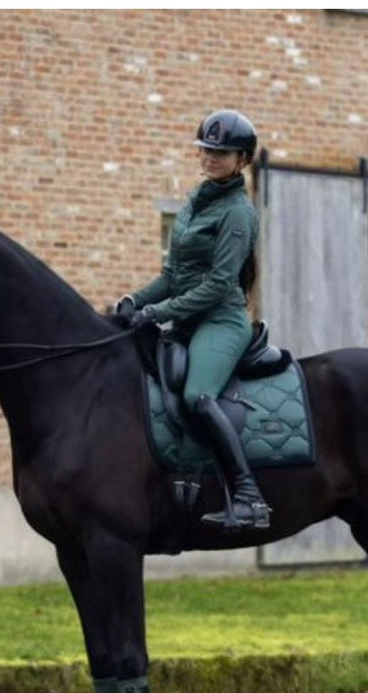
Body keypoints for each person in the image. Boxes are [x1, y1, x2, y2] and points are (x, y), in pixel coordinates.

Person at [116, 109, 271, 531]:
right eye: (206, 150)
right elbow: (171, 276)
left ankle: (248, 497)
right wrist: (133, 299)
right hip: (186, 319)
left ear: (242, 160)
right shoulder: (192, 204)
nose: (210, 158)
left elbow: (220, 285)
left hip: (221, 321)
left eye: (221, 153)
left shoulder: (238, 212)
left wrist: (157, 313)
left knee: (198, 396)